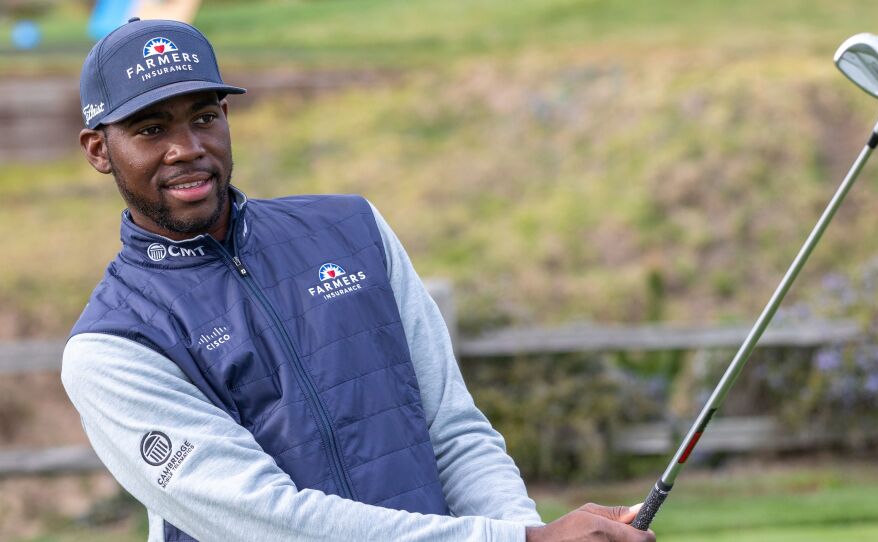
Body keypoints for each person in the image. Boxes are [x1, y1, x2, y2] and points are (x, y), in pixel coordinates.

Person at [62, 17, 656, 542]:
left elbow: (451, 429)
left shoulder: (354, 229)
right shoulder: (111, 348)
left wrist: (520, 529)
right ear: (98, 150)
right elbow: (270, 523)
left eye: (204, 117)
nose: (186, 148)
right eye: (150, 130)